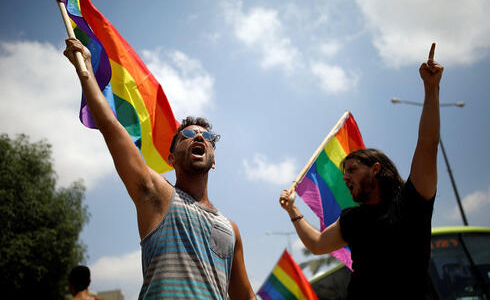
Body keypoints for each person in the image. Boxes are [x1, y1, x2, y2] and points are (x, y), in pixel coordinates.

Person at [63, 38, 256, 300]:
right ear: (171, 158)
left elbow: (245, 296)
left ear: (213, 161)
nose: (199, 138)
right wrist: (85, 69)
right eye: (187, 134)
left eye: (206, 137)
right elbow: (112, 127)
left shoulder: (230, 229)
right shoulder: (157, 195)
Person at [280, 43, 443, 299]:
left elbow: (427, 144)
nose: (345, 177)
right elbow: (317, 244)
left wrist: (431, 89)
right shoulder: (351, 219)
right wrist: (292, 209)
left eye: (353, 169)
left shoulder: (413, 201)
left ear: (376, 169)